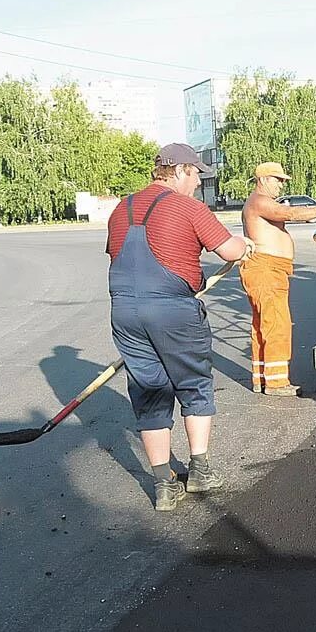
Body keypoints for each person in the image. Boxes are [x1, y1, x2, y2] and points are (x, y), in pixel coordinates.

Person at [105, 144, 254, 512]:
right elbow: (230, 251)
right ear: (181, 171)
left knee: (149, 391)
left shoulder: (121, 209)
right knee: (195, 384)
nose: (199, 180)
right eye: (197, 173)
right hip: (172, 310)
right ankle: (200, 470)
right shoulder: (188, 207)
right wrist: (244, 244)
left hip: (125, 311)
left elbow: (117, 255)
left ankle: (163, 486)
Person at [241, 162, 316, 397]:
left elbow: (287, 214)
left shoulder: (261, 202)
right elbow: (287, 213)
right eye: (278, 180)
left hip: (269, 269)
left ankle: (263, 379)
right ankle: (277, 383)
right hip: (266, 269)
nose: (281, 185)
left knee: (263, 326)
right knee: (277, 324)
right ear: (264, 179)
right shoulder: (260, 201)